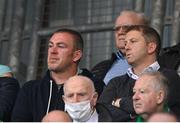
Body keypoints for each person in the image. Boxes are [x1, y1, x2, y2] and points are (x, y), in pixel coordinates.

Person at [11, 28, 104, 121]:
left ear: (76, 55)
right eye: (50, 46)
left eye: (61, 46)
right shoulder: (30, 89)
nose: (53, 51)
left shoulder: (95, 86)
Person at [98, 25, 180, 121]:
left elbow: (155, 107)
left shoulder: (169, 77)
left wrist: (119, 102)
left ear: (151, 47)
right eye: (125, 43)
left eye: (133, 41)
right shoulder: (115, 82)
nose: (127, 47)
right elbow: (102, 113)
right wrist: (134, 115)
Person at [91, 10, 149, 85]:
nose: (120, 32)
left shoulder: (162, 63)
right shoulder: (99, 68)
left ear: (146, 31)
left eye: (126, 27)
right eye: (117, 29)